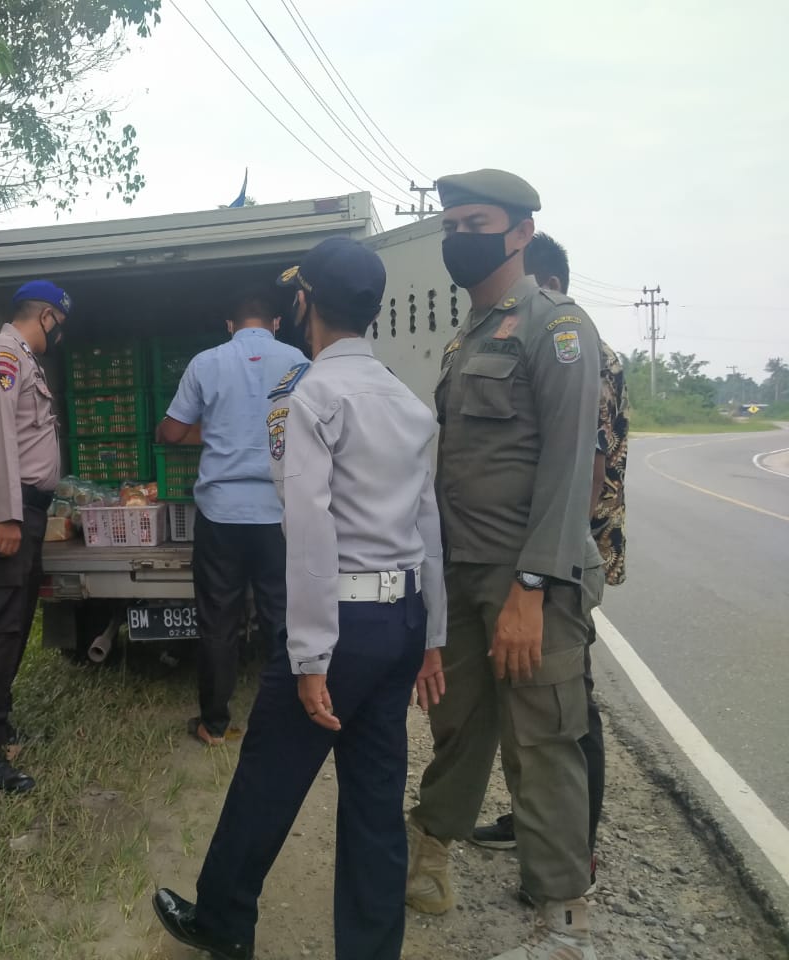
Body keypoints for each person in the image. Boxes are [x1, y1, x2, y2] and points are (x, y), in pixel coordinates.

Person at [152, 236, 447, 960]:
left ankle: (223, 921)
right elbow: (428, 523)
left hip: (340, 624)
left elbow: (309, 528)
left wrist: (311, 653)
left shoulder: (310, 394)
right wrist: (432, 635)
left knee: (268, 775)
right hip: (401, 617)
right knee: (375, 801)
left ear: (305, 301)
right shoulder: (406, 401)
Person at [404, 170, 605, 960]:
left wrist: (530, 586)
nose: (459, 236)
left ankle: (563, 922)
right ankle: (434, 850)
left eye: (475, 221)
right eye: (450, 223)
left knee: (542, 742)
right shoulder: (469, 336)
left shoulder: (555, 328)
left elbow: (566, 469)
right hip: (462, 574)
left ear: (519, 232)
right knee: (458, 724)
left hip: (530, 580)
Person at [471, 234, 629, 904]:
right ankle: (544, 835)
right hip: (563, 547)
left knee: (566, 712)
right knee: (554, 711)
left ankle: (575, 858)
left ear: (546, 279)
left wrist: (547, 572)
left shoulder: (571, 338)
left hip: (567, 553)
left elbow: (585, 464)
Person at [156, 289, 307, 746]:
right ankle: (289, 719)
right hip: (278, 514)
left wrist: (217, 429)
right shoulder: (299, 361)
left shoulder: (206, 362)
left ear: (229, 325)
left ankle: (214, 724)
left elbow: (173, 431)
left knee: (217, 619)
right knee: (282, 617)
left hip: (221, 515)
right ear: (276, 322)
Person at [0, 280, 68, 794]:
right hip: (3, 510)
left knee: (14, 624)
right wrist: (5, 514)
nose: (59, 335)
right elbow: (0, 433)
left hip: (24, 509)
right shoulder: (1, 353)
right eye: (58, 325)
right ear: (45, 315)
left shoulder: (21, 358)